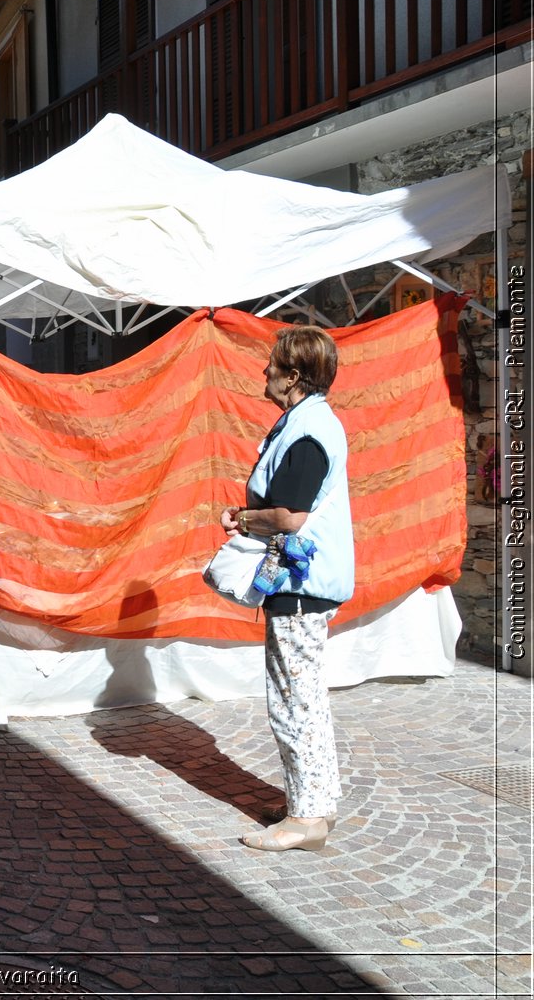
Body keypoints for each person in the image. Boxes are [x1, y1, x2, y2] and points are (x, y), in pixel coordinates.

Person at [220, 325, 353, 853]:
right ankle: (314, 801)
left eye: (272, 365)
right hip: (304, 582)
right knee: (304, 697)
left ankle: (307, 818)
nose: (264, 372)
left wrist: (246, 518)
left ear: (293, 376)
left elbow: (291, 517)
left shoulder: (307, 432)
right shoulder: (306, 423)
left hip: (301, 583)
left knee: (292, 701)